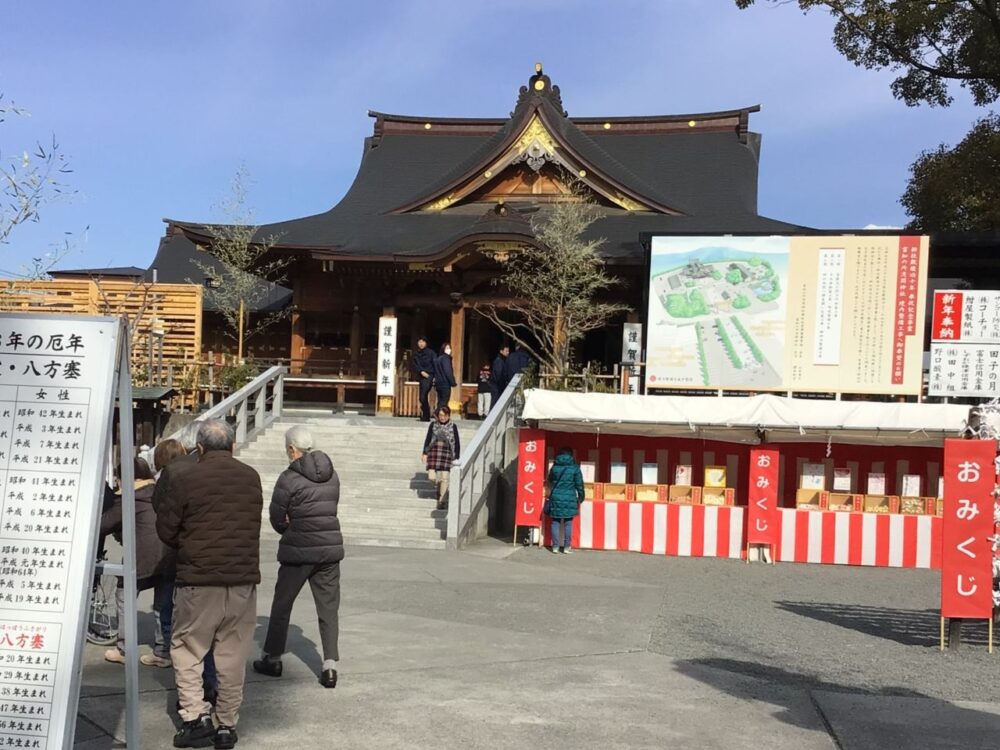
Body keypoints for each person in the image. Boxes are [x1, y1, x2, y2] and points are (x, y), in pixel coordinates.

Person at [156, 419, 263, 750]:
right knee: (232, 655)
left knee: (188, 649)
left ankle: (195, 718)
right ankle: (226, 725)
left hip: (198, 578)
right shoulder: (250, 476)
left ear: (199, 448)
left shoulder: (182, 475)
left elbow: (167, 530)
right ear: (232, 446)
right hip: (242, 579)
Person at [253, 426, 344, 689]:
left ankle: (273, 657)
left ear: (293, 449)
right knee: (328, 607)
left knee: (282, 605)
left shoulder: (288, 478)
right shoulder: (332, 475)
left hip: (298, 550)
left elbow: (276, 517)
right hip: (329, 549)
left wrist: (289, 527)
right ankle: (329, 665)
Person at [153, 424, 219, 706]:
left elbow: (164, 521)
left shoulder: (175, 476)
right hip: (226, 566)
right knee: (215, 635)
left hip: (188, 563)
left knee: (188, 634)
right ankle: (214, 688)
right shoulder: (237, 475)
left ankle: (193, 705)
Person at [100, 456, 175, 668]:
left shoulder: (130, 497)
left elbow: (105, 523)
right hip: (169, 554)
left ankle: (124, 649)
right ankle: (163, 651)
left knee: (124, 596)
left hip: (141, 557)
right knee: (163, 603)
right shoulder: (159, 491)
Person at [421, 405, 461, 510]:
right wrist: (424, 453)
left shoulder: (453, 426)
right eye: (440, 415)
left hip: (447, 453)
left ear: (448, 415)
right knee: (431, 477)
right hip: (434, 452)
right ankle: (438, 487)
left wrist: (456, 456)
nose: (442, 417)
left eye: (444, 415)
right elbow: (428, 438)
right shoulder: (433, 425)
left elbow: (456, 442)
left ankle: (442, 501)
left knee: (444, 478)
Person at [547, 448, 585, 554]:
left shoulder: (554, 467)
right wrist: (581, 497)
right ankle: (567, 547)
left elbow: (549, 480)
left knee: (555, 522)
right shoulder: (575, 468)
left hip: (556, 497)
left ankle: (555, 547)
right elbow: (579, 485)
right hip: (570, 498)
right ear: (571, 456)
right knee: (568, 523)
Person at [411, 336, 436, 422]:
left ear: (426, 343)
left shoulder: (431, 353)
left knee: (423, 396)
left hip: (429, 376)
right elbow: (414, 365)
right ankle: (426, 415)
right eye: (419, 342)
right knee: (422, 397)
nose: (421, 344)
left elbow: (435, 364)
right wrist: (421, 371)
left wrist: (434, 376)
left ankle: (426, 415)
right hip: (421, 376)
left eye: (423, 342)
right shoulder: (416, 353)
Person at [433, 342, 456, 411]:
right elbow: (448, 371)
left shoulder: (437, 359)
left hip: (438, 383)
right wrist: (452, 382)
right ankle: (439, 414)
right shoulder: (446, 359)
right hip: (445, 383)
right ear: (443, 349)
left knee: (440, 400)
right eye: (447, 348)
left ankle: (439, 414)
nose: (449, 350)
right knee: (444, 402)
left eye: (449, 348)